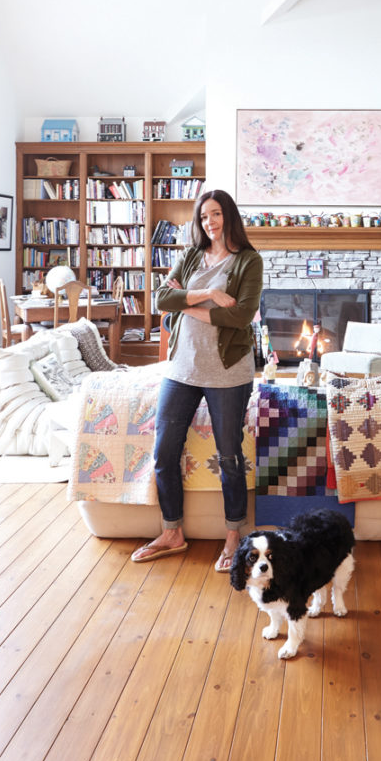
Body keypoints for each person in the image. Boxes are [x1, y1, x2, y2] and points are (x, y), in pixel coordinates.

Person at [131, 189, 263, 571]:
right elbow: (160, 300)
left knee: (229, 456)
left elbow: (241, 317)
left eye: (217, 214)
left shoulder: (249, 261)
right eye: (204, 217)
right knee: (163, 451)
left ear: (229, 216)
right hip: (181, 370)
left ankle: (234, 535)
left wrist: (186, 304)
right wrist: (207, 294)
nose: (210, 222)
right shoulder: (190, 256)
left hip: (228, 372)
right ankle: (172, 532)